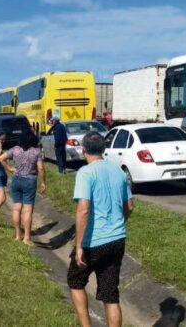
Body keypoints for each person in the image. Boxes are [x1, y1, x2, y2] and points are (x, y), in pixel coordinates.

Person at [67, 132, 134, 327]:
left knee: (75, 281)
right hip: (117, 239)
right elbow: (129, 206)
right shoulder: (118, 172)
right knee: (110, 294)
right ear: (104, 149)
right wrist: (119, 223)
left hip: (93, 241)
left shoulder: (85, 173)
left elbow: (83, 209)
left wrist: (79, 245)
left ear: (83, 149)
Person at [0, 132, 47, 246]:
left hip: (16, 179)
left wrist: (10, 168)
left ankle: (17, 234)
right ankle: (26, 238)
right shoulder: (36, 152)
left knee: (16, 208)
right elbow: (40, 168)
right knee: (28, 210)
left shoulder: (15, 150)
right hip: (30, 180)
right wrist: (43, 182)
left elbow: (1, 158)